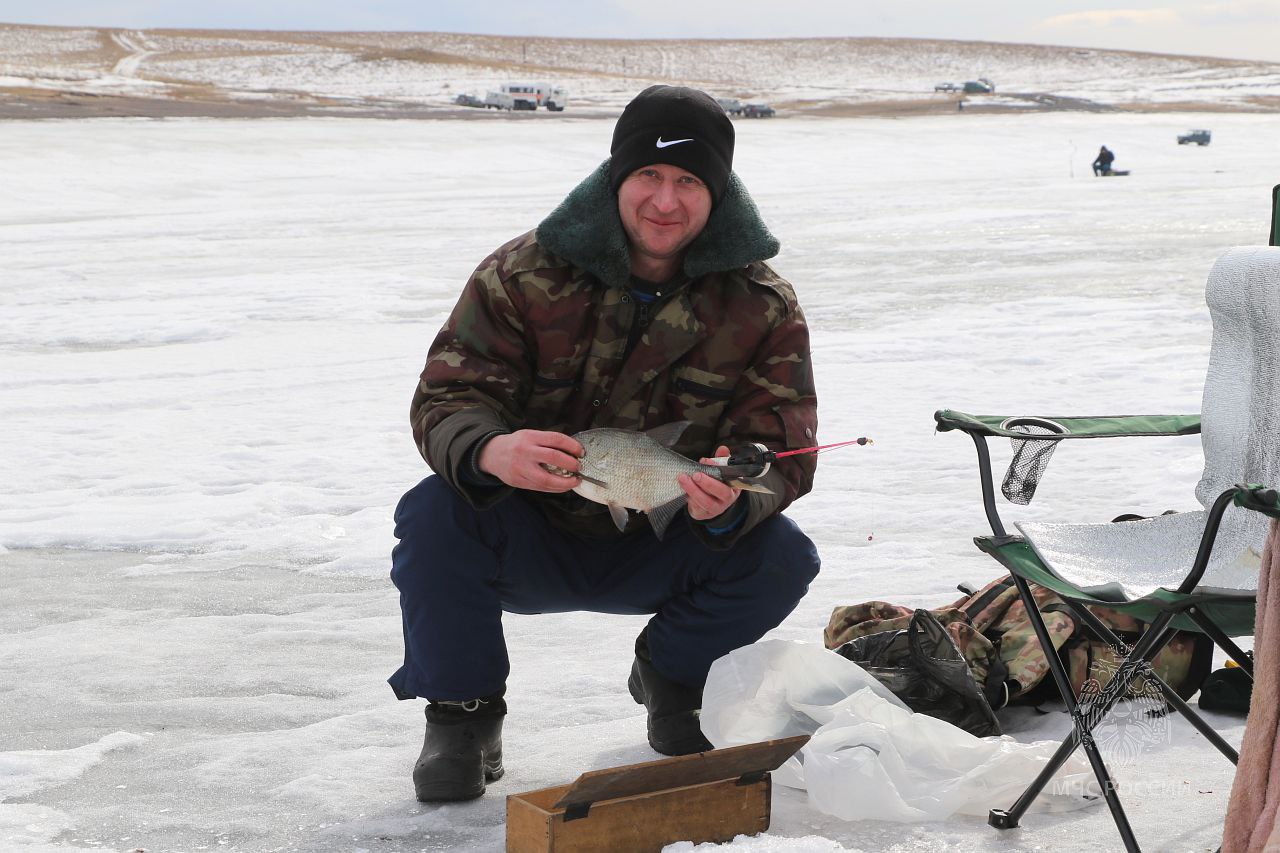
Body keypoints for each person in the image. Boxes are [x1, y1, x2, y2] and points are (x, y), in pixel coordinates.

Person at [389, 84, 821, 803]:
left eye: (689, 181)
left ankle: (671, 672)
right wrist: (492, 452)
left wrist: (735, 494)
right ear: (617, 176)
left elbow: (781, 443)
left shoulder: (761, 303)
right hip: (533, 530)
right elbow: (449, 396)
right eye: (649, 175)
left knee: (782, 555)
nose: (666, 200)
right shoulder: (522, 274)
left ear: (718, 192)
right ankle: (464, 715)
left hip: (666, 533)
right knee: (434, 512)